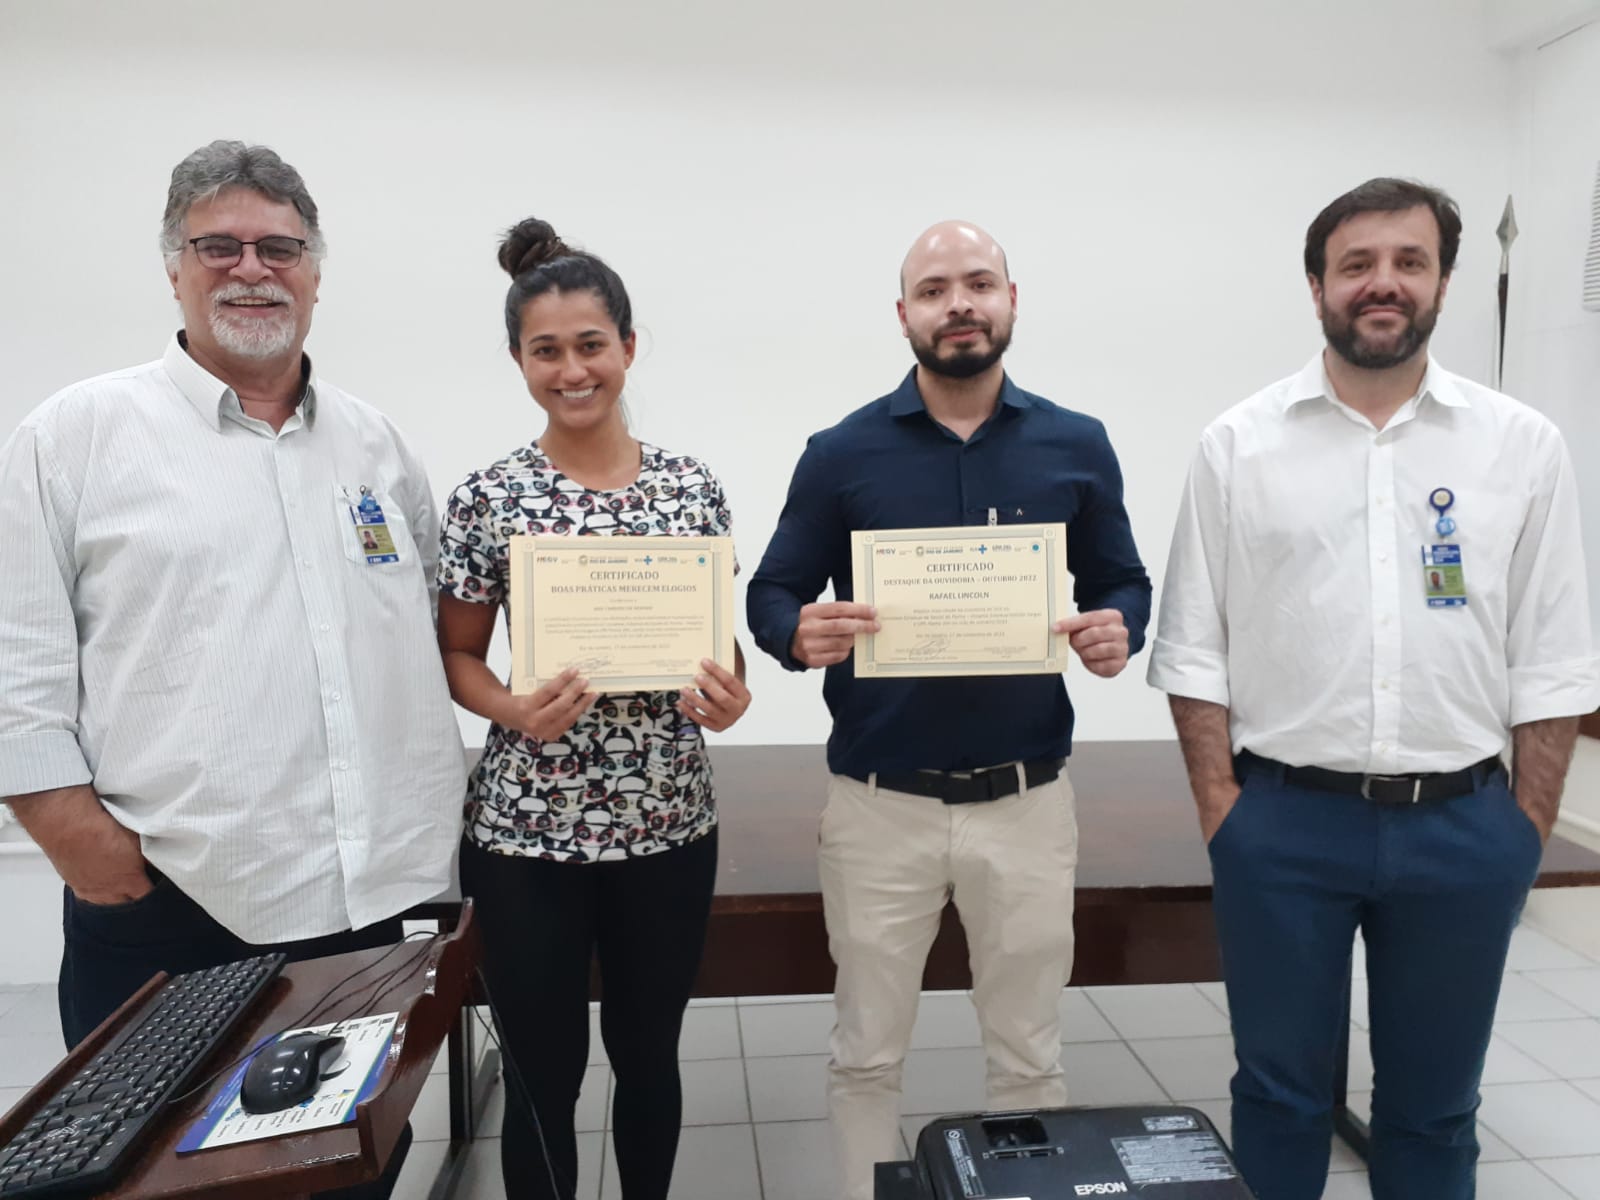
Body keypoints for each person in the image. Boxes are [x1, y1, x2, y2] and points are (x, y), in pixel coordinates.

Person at [0, 140, 464, 1198]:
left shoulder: (376, 446)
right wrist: (91, 857)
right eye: (219, 246)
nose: (252, 269)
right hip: (175, 903)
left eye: (279, 248)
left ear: (314, 269)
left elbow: (433, 632)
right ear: (173, 266)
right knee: (170, 1182)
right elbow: (14, 668)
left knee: (342, 1170)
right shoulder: (73, 438)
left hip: (366, 910)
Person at [1148, 177, 1600, 1200]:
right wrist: (1226, 813)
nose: (1381, 283)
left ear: (1441, 280)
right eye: (1356, 265)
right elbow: (1192, 651)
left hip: (1463, 828)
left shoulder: (1519, 446)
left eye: (1407, 261)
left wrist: (1522, 827)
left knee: (1435, 1110)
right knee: (1276, 1097)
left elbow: (1554, 654)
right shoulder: (1238, 446)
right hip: (1282, 828)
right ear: (1316, 289)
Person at [747, 220, 1152, 1200]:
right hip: (879, 809)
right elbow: (769, 591)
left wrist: (1117, 631)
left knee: (1026, 1054)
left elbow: (1124, 581)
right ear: (904, 316)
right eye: (934, 289)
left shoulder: (1076, 444)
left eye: (978, 283)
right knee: (866, 1054)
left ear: (1013, 300)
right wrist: (797, 632)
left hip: (1025, 803)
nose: (958, 303)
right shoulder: (841, 451)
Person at [437, 217, 752, 1200]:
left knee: (649, 1059)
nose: (571, 371)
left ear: (626, 345)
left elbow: (717, 646)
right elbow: (457, 655)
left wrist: (731, 692)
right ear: (518, 360)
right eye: (546, 351)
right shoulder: (488, 497)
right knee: (544, 1071)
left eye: (589, 346)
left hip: (665, 825)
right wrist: (517, 711)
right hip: (527, 838)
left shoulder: (692, 488)